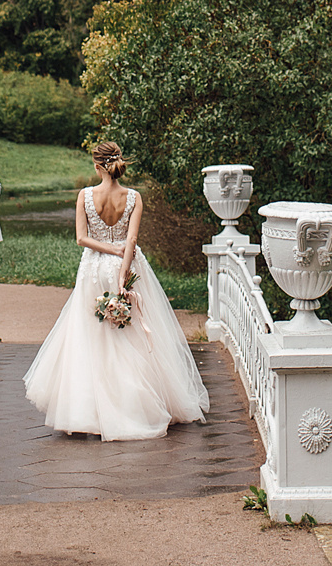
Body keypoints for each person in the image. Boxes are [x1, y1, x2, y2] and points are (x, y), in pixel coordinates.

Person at [22, 141, 209, 440]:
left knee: (91, 336)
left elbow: (81, 239)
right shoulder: (134, 197)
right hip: (127, 264)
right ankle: (135, 406)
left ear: (96, 166)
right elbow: (132, 239)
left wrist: (106, 250)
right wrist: (123, 270)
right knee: (130, 336)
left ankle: (90, 412)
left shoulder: (84, 196)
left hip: (94, 269)